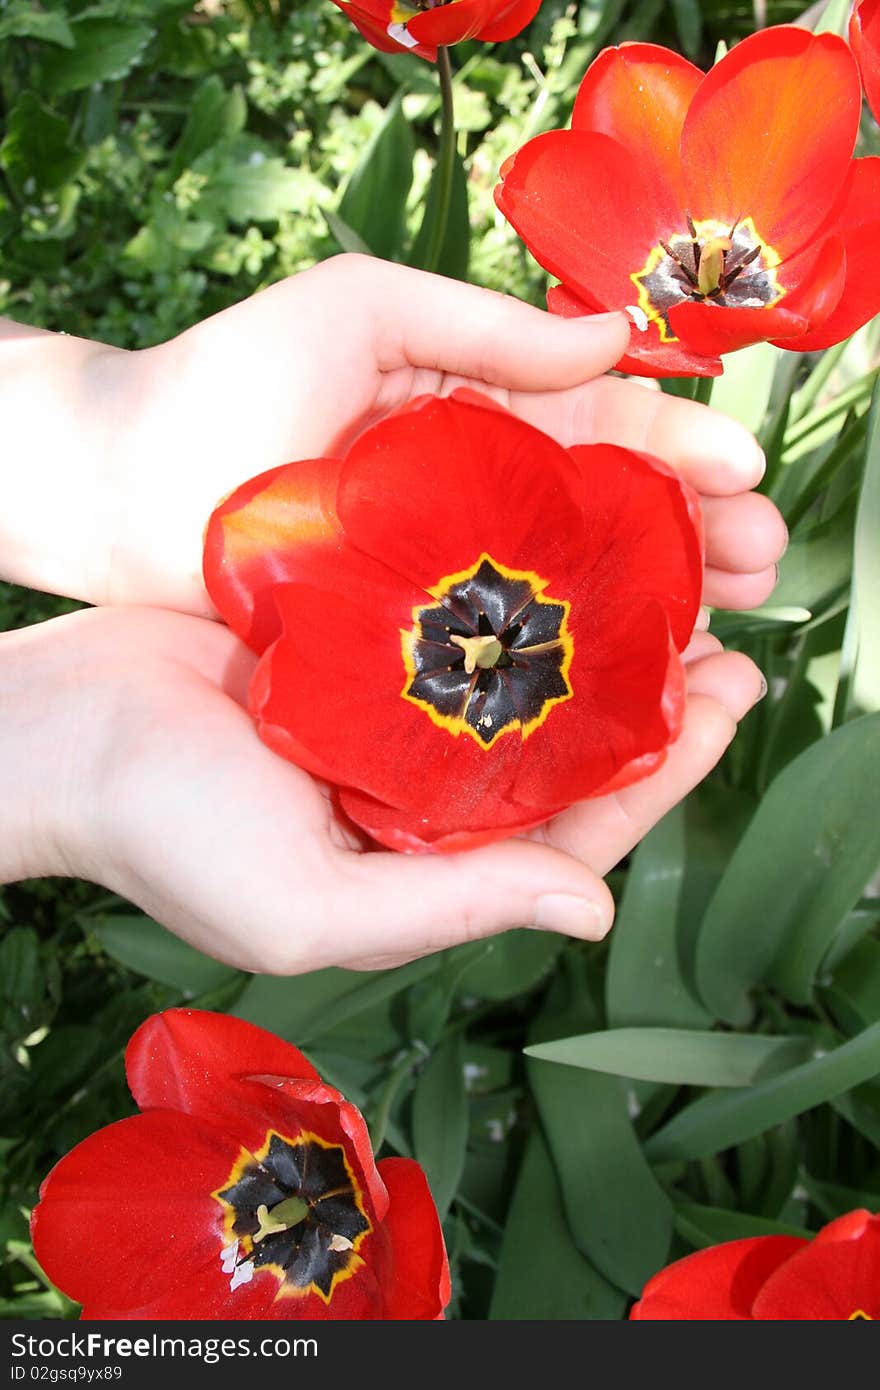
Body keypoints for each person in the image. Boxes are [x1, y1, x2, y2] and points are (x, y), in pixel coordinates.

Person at [0, 254, 786, 975]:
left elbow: (646, 520)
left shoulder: (635, 548)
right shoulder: (299, 571)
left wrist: (107, 446)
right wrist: (71, 752)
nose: (479, 652)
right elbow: (270, 542)